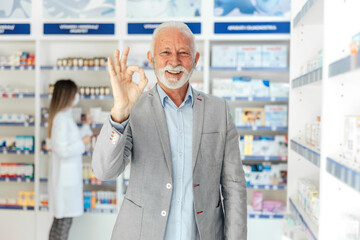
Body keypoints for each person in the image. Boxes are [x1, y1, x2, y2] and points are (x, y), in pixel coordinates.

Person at [92, 21, 247, 240]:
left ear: (196, 60)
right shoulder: (133, 108)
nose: (174, 61)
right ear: (151, 58)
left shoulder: (218, 110)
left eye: (183, 52)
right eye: (165, 52)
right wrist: (119, 112)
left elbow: (234, 186)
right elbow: (104, 172)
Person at [47, 79, 93, 240]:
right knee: (62, 226)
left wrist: (86, 126)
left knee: (60, 224)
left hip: (66, 181)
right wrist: (83, 142)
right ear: (68, 96)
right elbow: (62, 150)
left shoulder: (64, 117)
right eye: (75, 93)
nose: (77, 96)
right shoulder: (61, 119)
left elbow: (70, 141)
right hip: (64, 183)